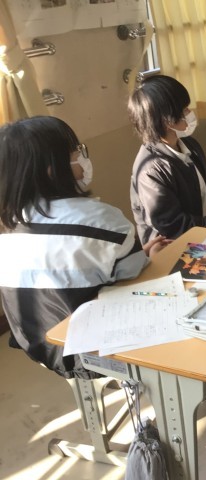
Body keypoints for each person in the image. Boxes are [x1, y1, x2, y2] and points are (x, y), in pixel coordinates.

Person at [0, 116, 167, 379]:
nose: (83, 158)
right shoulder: (103, 221)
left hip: (41, 347)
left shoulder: (10, 226)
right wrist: (153, 259)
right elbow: (136, 283)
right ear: (51, 169)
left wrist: (132, 253)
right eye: (76, 153)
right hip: (96, 353)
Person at [128, 75, 206, 244]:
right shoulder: (151, 170)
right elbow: (173, 226)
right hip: (176, 245)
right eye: (185, 109)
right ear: (166, 120)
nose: (190, 113)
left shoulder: (189, 144)